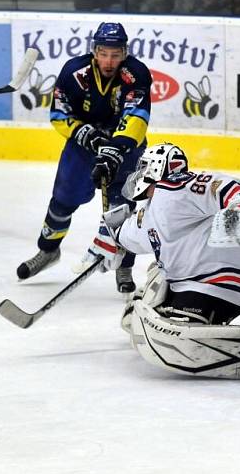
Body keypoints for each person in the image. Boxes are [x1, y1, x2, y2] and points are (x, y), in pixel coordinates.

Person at [90, 143, 240, 383]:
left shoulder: (177, 187)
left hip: (216, 282)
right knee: (157, 277)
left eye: (144, 166)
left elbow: (224, 187)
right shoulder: (150, 210)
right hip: (189, 284)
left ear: (157, 167)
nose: (139, 172)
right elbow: (128, 235)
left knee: (169, 336)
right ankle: (160, 311)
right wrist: (106, 242)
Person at [16, 22, 152, 293]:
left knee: (120, 208)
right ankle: (48, 251)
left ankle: (124, 266)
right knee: (63, 201)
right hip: (82, 150)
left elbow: (136, 118)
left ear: (124, 52)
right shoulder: (74, 72)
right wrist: (82, 133)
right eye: (104, 53)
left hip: (124, 150)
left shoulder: (136, 74)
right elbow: (59, 114)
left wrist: (115, 150)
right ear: (95, 51)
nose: (109, 60)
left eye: (115, 54)